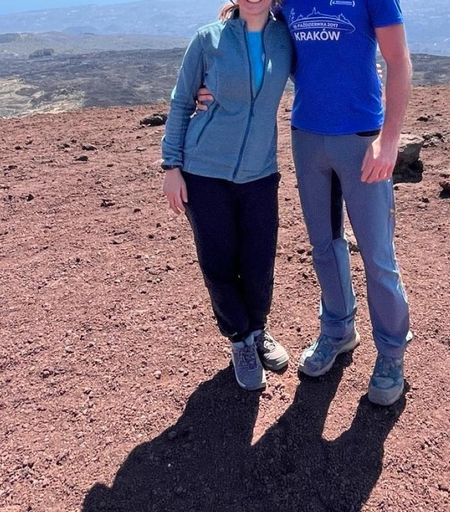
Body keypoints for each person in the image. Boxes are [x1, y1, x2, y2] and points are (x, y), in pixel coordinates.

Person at [199, 0, 413, 405]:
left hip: (362, 138)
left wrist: (389, 140)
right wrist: (206, 83)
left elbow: (398, 61)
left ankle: (391, 353)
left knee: (377, 255)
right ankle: (338, 330)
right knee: (323, 246)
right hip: (308, 137)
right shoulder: (287, 1)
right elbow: (257, 35)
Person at [161, 0, 293, 391]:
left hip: (260, 172)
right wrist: (171, 166)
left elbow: (322, 69)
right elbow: (182, 101)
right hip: (204, 171)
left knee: (258, 260)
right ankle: (240, 340)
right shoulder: (208, 39)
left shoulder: (286, 38)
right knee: (218, 262)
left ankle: (257, 329)